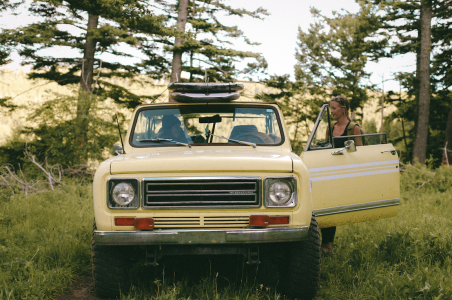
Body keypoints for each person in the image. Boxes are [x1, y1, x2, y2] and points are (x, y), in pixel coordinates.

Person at [321, 95, 362, 256]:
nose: (331, 111)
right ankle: (327, 244)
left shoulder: (354, 128)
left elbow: (360, 152)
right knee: (326, 206)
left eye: (334, 108)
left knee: (332, 207)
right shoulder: (330, 127)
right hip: (330, 172)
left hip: (345, 173)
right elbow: (326, 147)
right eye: (330, 108)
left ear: (343, 109)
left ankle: (327, 244)